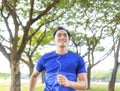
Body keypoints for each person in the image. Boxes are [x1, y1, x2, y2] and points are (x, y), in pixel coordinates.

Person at [28, 26, 88, 91]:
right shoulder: (44, 58)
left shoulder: (78, 59)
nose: (62, 37)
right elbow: (34, 75)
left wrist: (69, 83)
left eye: (65, 35)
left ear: (68, 40)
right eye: (59, 35)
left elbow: (84, 85)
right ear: (54, 40)